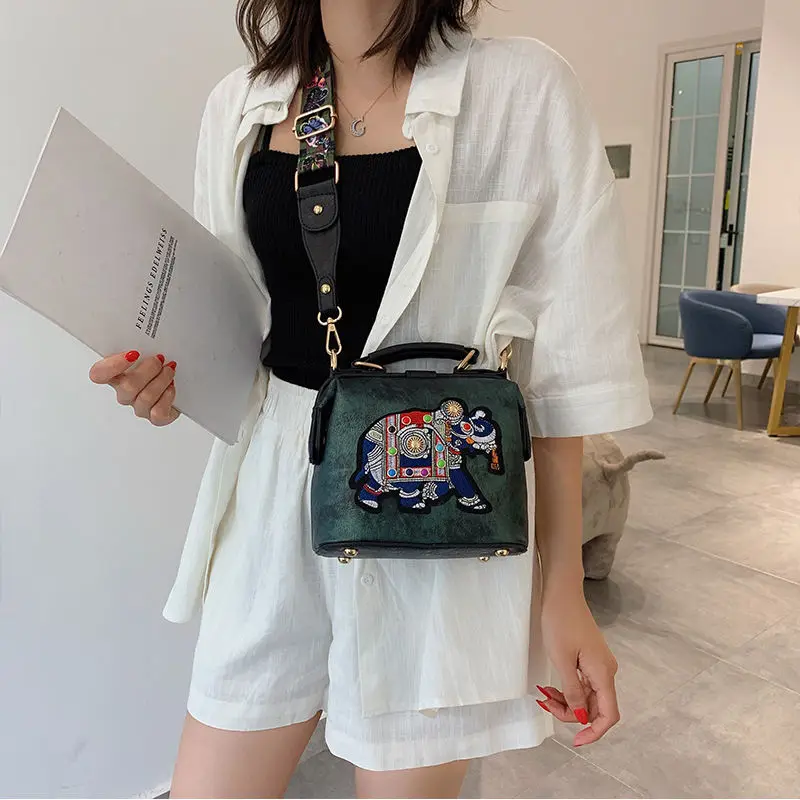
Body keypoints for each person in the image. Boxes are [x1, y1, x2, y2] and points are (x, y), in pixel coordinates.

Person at [90, 0, 652, 796]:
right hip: (273, 490)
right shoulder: (242, 105)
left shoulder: (521, 91)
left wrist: (562, 590)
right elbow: (239, 324)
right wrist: (170, 381)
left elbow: (564, 374)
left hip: (438, 500)